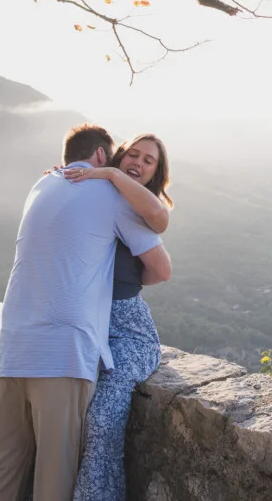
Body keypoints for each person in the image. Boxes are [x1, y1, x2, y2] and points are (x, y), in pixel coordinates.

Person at [0, 124, 171, 501]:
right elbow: (162, 259)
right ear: (102, 155)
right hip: (62, 353)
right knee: (54, 479)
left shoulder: (41, 185)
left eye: (148, 161)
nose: (134, 164)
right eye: (125, 156)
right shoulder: (111, 195)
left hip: (12, 348)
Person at [62, 133, 174, 501]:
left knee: (101, 420)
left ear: (156, 173)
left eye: (148, 161)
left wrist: (112, 176)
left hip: (128, 331)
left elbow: (161, 269)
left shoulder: (136, 206)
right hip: (84, 322)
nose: (138, 163)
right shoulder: (98, 194)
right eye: (134, 154)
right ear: (119, 154)